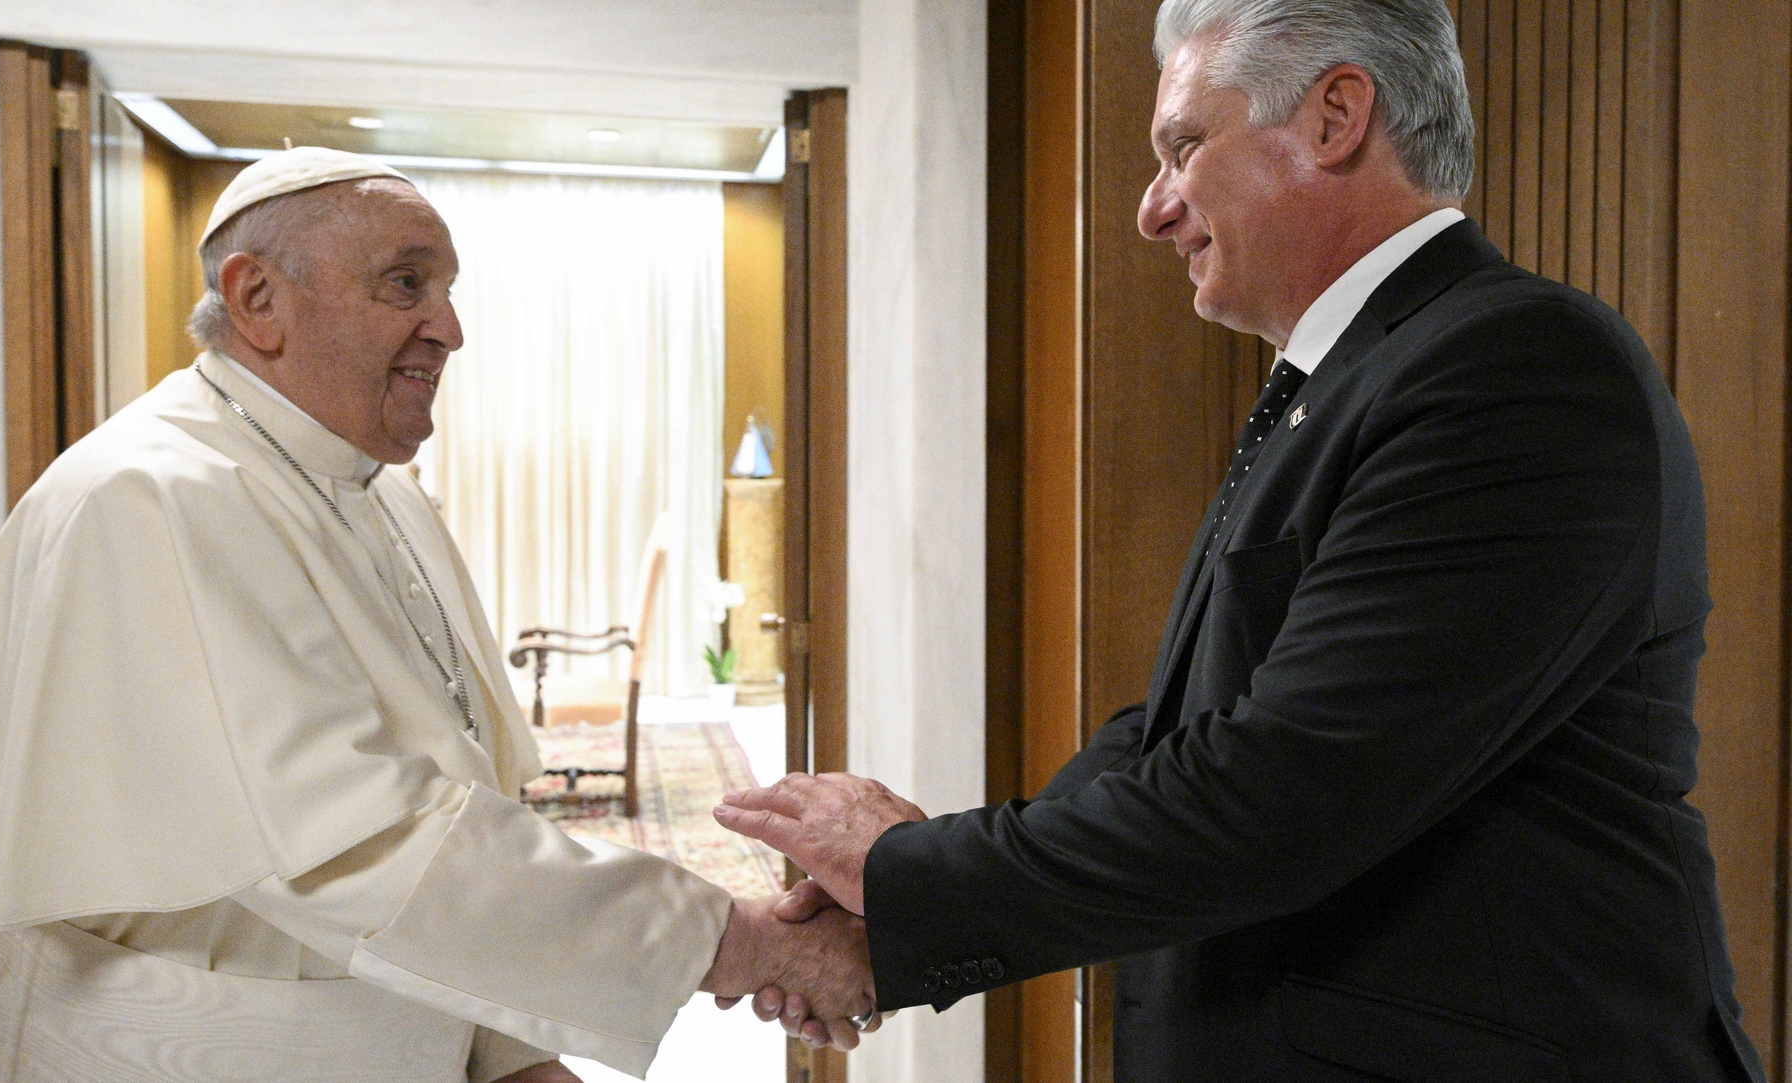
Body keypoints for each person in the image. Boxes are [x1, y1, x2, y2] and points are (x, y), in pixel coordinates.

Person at [717, 1, 1769, 1079]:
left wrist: (909, 875)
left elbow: (1290, 785)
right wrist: (903, 902)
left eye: (1183, 148)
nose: (1151, 210)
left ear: (1335, 117)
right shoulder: (1356, 379)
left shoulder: (1515, 366)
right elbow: (1185, 733)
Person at [0, 146, 873, 1083]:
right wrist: (736, 942)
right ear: (256, 299)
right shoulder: (149, 497)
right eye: (407, 285)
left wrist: (506, 1052)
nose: (449, 327)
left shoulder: (383, 490)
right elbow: (348, 843)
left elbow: (458, 801)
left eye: (447, 290)